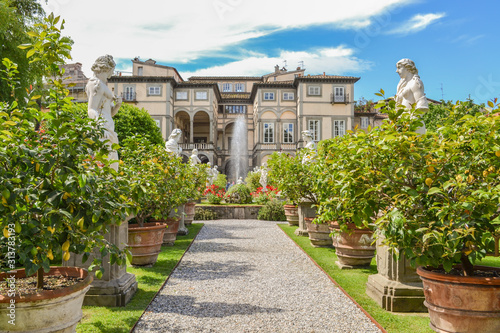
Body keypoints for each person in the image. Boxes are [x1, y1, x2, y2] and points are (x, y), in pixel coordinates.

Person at [86, 55, 121, 170]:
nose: (112, 74)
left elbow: (110, 113)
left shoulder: (102, 84)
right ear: (107, 69)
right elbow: (91, 109)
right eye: (112, 70)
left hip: (108, 127)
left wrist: (117, 105)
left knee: (113, 166)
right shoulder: (96, 84)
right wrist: (99, 126)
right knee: (104, 165)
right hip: (102, 129)